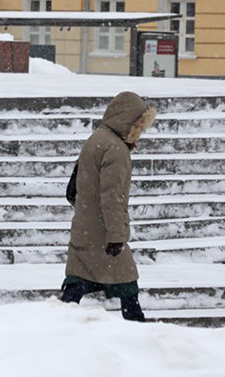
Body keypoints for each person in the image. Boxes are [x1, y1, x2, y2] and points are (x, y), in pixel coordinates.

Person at [60, 91, 156, 321]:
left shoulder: (96, 139)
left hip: (86, 224)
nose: (140, 132)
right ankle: (136, 322)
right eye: (139, 126)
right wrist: (116, 234)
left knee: (80, 279)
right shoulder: (116, 148)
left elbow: (73, 188)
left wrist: (86, 211)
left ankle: (59, 317)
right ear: (129, 121)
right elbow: (113, 196)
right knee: (126, 279)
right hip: (104, 231)